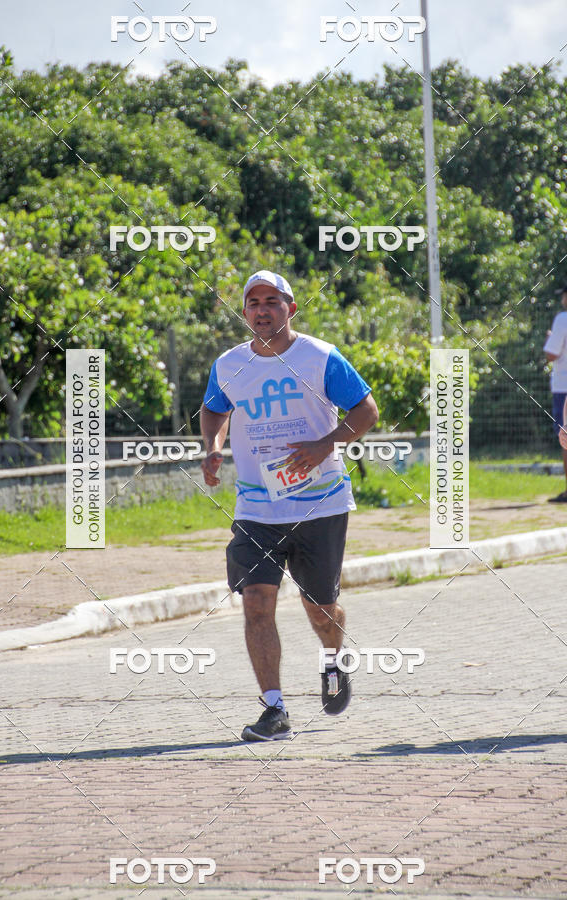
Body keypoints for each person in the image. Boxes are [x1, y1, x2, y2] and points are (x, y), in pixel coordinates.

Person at [200, 270, 378, 741]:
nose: (262, 310)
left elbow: (366, 411)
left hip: (320, 505)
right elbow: (214, 407)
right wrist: (213, 446)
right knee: (257, 601)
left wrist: (324, 445)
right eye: (253, 302)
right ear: (245, 311)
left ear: (291, 308)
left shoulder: (320, 357)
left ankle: (333, 660)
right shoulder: (229, 364)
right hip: (256, 508)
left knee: (320, 608)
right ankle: (274, 709)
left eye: (272, 301)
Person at [543, 285, 567, 502]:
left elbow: (551, 354)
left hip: (564, 386)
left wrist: (549, 338)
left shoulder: (562, 319)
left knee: (565, 436)